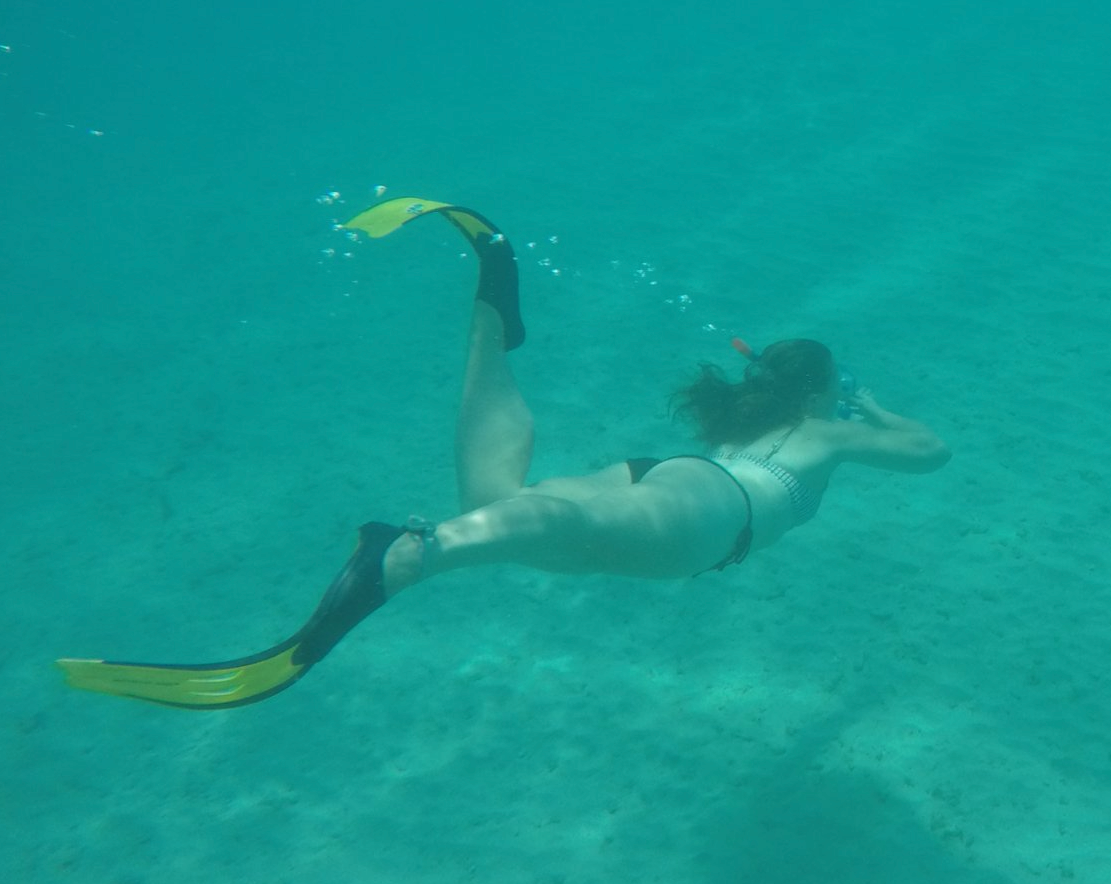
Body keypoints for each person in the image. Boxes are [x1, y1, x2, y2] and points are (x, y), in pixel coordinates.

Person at [57, 196, 949, 709]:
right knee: (529, 527)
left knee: (500, 494)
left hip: (681, 486)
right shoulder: (824, 428)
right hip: (713, 513)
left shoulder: (751, 422)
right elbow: (928, 452)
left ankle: (495, 315)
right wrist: (868, 404)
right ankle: (411, 555)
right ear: (814, 393)